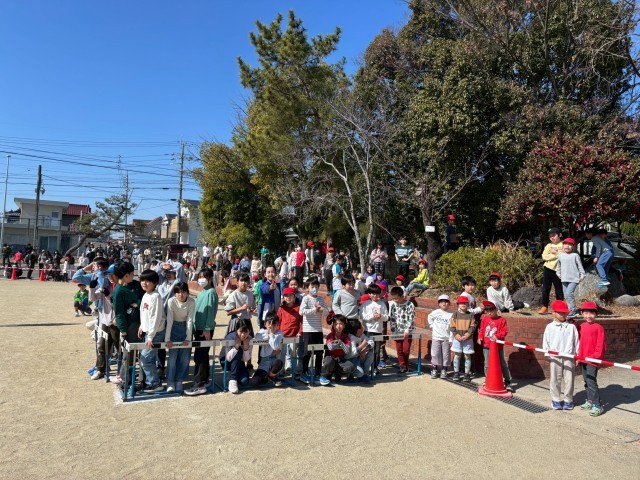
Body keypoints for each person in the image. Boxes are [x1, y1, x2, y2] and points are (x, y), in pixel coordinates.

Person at [185, 267, 218, 396]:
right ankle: (204, 379)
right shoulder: (203, 292)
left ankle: (200, 383)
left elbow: (210, 312)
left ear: (210, 278)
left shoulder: (211, 292)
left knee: (200, 355)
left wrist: (207, 329)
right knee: (201, 355)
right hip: (198, 328)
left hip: (205, 329)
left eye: (204, 277)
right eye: (199, 277)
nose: (201, 279)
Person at [112, 262, 144, 390]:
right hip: (130, 326)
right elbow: (119, 313)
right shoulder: (118, 291)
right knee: (129, 354)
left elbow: (143, 299)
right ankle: (125, 379)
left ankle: (138, 379)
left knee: (140, 353)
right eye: (132, 274)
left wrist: (136, 303)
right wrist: (123, 331)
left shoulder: (135, 285)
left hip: (140, 323)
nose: (133, 276)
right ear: (126, 275)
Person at [543, 300, 579, 410]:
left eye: (565, 312)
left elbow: (576, 341)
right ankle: (556, 399)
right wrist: (547, 353)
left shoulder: (571, 327)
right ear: (553, 313)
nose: (563, 314)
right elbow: (546, 341)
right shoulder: (549, 327)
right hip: (555, 356)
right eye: (560, 312)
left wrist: (577, 355)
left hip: (569, 355)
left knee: (569, 379)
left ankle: (568, 400)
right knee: (555, 378)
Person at [138, 270, 166, 392]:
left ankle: (155, 383)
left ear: (155, 283)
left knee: (145, 359)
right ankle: (150, 381)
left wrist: (150, 336)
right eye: (142, 280)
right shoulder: (145, 295)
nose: (144, 283)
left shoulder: (156, 296)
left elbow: (156, 318)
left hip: (155, 333)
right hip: (149, 332)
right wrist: (142, 326)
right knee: (148, 358)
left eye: (148, 281)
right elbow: (144, 313)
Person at [165, 282, 195, 393]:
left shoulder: (191, 302)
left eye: (183, 292)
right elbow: (169, 320)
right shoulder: (171, 301)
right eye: (178, 292)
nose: (180, 295)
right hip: (173, 328)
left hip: (185, 328)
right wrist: (167, 339)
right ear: (175, 293)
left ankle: (179, 380)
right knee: (172, 358)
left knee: (185, 358)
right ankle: (170, 381)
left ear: (187, 293)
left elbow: (190, 320)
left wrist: (188, 337)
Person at [577, 302, 606, 416]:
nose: (589, 316)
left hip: (592, 360)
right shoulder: (581, 326)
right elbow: (579, 343)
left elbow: (601, 345)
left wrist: (595, 356)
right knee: (586, 381)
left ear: (596, 314)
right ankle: (590, 400)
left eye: (592, 313)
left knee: (591, 382)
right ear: (582, 313)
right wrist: (578, 357)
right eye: (586, 313)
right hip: (583, 359)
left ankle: (597, 405)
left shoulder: (599, 328)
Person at [299, 277, 329, 385]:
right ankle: (304, 372)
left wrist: (321, 310)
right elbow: (301, 312)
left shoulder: (321, 299)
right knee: (307, 353)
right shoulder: (306, 299)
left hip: (318, 330)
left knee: (319, 352)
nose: (314, 289)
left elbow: (327, 312)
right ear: (307, 288)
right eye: (312, 286)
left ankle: (317, 374)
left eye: (316, 286)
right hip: (308, 330)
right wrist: (314, 310)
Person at [477, 300, 512, 390]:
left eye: (491, 311)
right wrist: (480, 337)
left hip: (498, 347)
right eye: (487, 311)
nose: (489, 313)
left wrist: (497, 336)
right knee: (487, 364)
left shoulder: (502, 320)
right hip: (487, 346)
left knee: (502, 363)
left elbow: (504, 331)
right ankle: (487, 379)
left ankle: (507, 381)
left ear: (496, 309)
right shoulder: (485, 319)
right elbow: (482, 329)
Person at [250, 312, 284, 387]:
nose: (271, 326)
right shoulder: (263, 331)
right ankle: (266, 376)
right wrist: (268, 335)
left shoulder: (279, 333)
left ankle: (272, 375)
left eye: (274, 324)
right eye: (269, 323)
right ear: (265, 324)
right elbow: (257, 337)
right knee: (254, 382)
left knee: (279, 363)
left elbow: (275, 347)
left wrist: (271, 334)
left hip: (274, 361)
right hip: (264, 361)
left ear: (277, 324)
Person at [360, 283, 388, 372]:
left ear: (379, 294)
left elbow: (386, 317)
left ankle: (375, 368)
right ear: (369, 294)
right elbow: (362, 316)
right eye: (372, 293)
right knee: (367, 349)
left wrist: (381, 316)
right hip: (368, 330)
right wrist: (372, 316)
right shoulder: (366, 304)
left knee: (377, 350)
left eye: (376, 293)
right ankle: (366, 367)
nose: (374, 295)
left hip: (378, 330)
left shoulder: (382, 304)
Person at [219, 318, 252, 394]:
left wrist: (246, 348)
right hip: (226, 361)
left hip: (240, 362)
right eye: (241, 331)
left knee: (244, 381)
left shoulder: (249, 339)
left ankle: (232, 377)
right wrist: (236, 347)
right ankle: (233, 379)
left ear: (249, 331)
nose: (243, 335)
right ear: (237, 329)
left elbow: (246, 359)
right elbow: (228, 358)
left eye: (246, 332)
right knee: (239, 350)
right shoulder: (230, 337)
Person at [556, 238, 585, 319]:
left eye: (569, 245)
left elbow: (580, 266)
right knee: (566, 295)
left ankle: (573, 311)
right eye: (565, 244)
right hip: (564, 279)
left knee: (569, 294)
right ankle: (570, 310)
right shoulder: (560, 256)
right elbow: (559, 267)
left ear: (573, 246)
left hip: (574, 279)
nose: (567, 246)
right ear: (563, 245)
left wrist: (582, 275)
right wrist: (558, 274)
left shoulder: (575, 255)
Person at [388, 286, 416, 373]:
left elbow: (411, 318)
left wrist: (407, 330)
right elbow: (392, 318)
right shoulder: (393, 305)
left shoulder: (410, 305)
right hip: (397, 330)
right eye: (393, 298)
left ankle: (406, 365)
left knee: (406, 350)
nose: (394, 300)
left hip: (407, 331)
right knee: (399, 350)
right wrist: (393, 330)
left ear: (401, 296)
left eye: (396, 298)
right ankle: (402, 366)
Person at [449, 296, 476, 382]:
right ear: (458, 304)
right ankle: (456, 373)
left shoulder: (471, 315)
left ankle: (466, 374)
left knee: (467, 356)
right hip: (457, 339)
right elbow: (452, 326)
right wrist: (457, 335)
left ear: (468, 304)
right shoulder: (455, 314)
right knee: (457, 355)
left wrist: (466, 335)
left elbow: (472, 326)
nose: (463, 304)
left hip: (468, 339)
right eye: (461, 303)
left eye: (465, 303)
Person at [278, 287, 303, 379]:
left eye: (290, 296)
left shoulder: (298, 308)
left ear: (294, 297)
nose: (288, 298)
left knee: (293, 354)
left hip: (294, 335)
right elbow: (278, 322)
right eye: (286, 296)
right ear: (283, 297)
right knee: (282, 354)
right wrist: (278, 333)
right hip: (283, 335)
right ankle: (281, 371)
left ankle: (294, 370)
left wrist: (300, 332)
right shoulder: (281, 308)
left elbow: (302, 322)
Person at [321, 315, 355, 383]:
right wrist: (341, 345)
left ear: (344, 325)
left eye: (341, 324)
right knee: (328, 361)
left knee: (350, 366)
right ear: (333, 325)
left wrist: (339, 342)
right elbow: (330, 347)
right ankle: (328, 374)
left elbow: (346, 350)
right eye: (336, 324)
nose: (338, 326)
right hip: (331, 358)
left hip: (341, 360)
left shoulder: (346, 337)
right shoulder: (330, 335)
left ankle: (337, 372)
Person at [539, 227, 564, 314]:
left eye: (554, 235)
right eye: (550, 236)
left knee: (559, 289)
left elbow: (563, 255)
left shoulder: (564, 245)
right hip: (548, 269)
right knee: (545, 288)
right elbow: (544, 257)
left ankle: (560, 307)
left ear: (560, 235)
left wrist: (555, 252)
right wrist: (556, 255)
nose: (552, 237)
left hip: (558, 270)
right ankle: (544, 306)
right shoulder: (548, 246)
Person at [428, 294, 453, 379]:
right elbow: (429, 317)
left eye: (446, 302)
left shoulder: (451, 315)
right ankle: (434, 369)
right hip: (436, 337)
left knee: (446, 355)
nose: (444, 303)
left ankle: (444, 370)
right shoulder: (435, 312)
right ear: (439, 304)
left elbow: (452, 328)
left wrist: (451, 339)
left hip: (446, 338)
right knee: (435, 354)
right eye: (442, 302)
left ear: (449, 304)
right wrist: (432, 325)